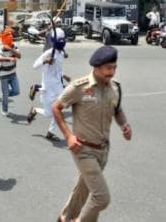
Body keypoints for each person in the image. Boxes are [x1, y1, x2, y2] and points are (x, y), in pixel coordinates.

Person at [52, 45, 132, 222]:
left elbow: (117, 110)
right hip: (83, 149)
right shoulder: (79, 88)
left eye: (114, 67)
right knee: (101, 198)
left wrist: (124, 125)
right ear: (97, 67)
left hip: (103, 151)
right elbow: (56, 108)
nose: (112, 72)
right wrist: (68, 136)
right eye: (108, 68)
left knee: (83, 190)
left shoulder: (115, 88)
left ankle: (64, 218)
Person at [27, 29, 70, 141]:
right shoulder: (48, 53)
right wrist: (45, 61)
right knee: (48, 114)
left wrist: (64, 75)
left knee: (58, 111)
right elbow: (34, 66)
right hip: (48, 88)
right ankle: (35, 109)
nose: (62, 46)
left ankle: (50, 132)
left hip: (58, 88)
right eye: (60, 43)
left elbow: (58, 70)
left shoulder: (60, 53)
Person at [0, 27, 21, 116]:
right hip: (4, 75)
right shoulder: (1, 48)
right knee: (5, 94)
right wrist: (9, 58)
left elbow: (19, 56)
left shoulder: (14, 46)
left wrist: (11, 49)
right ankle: (4, 110)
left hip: (13, 74)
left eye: (10, 35)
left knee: (16, 91)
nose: (10, 36)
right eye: (8, 35)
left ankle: (5, 96)